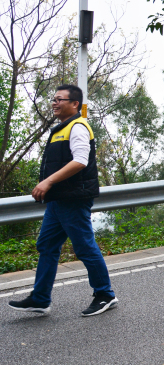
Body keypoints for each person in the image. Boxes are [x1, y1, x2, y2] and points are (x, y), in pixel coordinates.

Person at [8, 85, 118, 317]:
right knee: (47, 245)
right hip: (58, 200)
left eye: (60, 99)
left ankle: (105, 294)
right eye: (54, 99)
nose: (54, 103)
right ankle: (40, 299)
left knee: (84, 246)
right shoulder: (60, 129)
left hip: (73, 198)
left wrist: (47, 182)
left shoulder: (77, 127)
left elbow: (80, 161)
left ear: (75, 104)